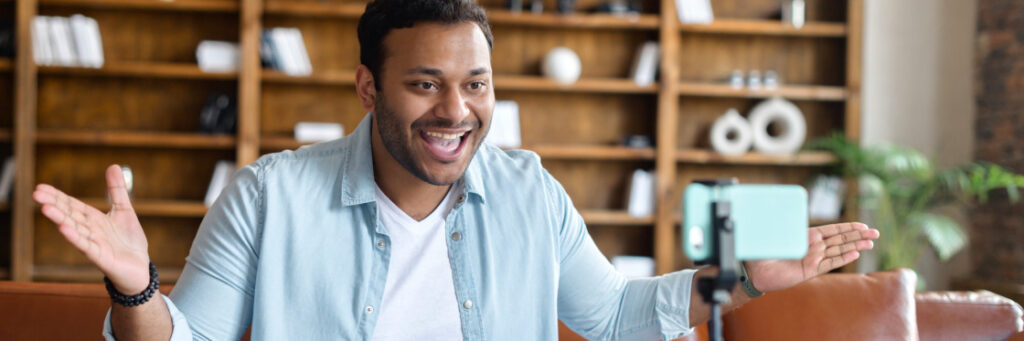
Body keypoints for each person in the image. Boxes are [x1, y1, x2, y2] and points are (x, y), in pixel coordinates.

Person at [32, 0, 880, 340]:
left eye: (474, 84)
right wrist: (139, 287)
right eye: (424, 84)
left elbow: (616, 315)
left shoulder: (528, 189)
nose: (455, 110)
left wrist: (736, 278)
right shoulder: (269, 195)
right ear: (369, 88)